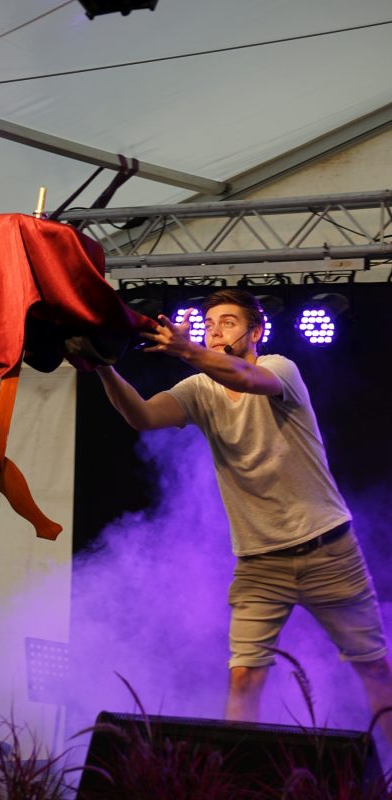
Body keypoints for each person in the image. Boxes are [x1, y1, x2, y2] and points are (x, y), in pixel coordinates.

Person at [96, 288, 392, 743]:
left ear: (256, 331)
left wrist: (187, 351)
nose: (215, 331)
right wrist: (103, 367)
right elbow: (143, 416)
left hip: (329, 552)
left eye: (228, 323)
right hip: (259, 564)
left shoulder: (279, 368)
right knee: (243, 678)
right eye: (209, 324)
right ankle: (236, 777)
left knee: (374, 669)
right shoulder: (198, 389)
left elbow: (245, 378)